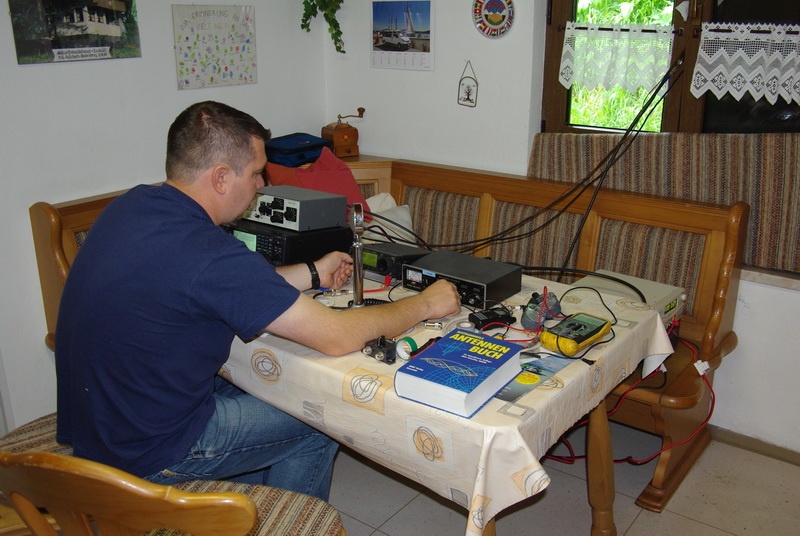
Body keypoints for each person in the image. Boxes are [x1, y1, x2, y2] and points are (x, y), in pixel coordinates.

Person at [55, 101, 461, 501]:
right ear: (221, 178)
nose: (261, 185)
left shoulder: (133, 206)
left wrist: (313, 272)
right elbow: (336, 336)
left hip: (98, 426)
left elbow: (228, 287)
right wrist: (426, 304)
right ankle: (284, 522)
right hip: (149, 452)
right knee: (321, 417)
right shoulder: (208, 251)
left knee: (273, 384)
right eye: (255, 173)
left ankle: (257, 499)